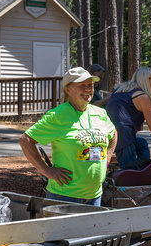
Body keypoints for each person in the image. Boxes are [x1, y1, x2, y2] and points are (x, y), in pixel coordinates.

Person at [18, 67, 117, 206]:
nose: (88, 89)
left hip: (95, 196)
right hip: (65, 197)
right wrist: (47, 171)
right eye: (82, 85)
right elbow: (25, 140)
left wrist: (107, 159)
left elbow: (113, 133)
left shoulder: (100, 113)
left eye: (90, 85)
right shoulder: (58, 116)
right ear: (68, 90)